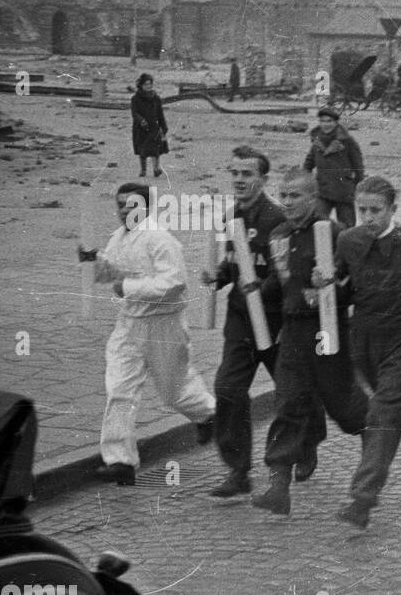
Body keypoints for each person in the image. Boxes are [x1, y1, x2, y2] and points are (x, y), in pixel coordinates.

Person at [318, 177, 401, 529]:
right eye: (361, 210)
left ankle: (362, 498)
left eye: (375, 210)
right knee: (392, 398)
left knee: (382, 411)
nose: (367, 217)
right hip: (363, 337)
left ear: (393, 209)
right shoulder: (348, 241)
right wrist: (325, 284)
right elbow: (342, 285)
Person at [199, 145, 325, 497]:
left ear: (262, 179)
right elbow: (237, 263)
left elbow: (286, 274)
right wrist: (218, 277)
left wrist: (259, 290)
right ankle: (238, 471)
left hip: (277, 320)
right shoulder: (230, 216)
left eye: (247, 174)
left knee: (292, 392)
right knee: (227, 388)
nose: (239, 180)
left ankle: (308, 440)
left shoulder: (277, 219)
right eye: (235, 173)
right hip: (241, 319)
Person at [80, 182, 215, 485]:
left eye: (132, 205)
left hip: (164, 324)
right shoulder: (118, 238)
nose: (125, 210)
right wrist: (94, 261)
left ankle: (208, 414)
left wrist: (127, 287)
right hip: (129, 323)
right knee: (119, 388)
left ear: (147, 207)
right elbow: (111, 274)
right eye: (121, 205)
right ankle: (120, 461)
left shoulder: (160, 239)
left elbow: (175, 283)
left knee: (174, 391)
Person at [251, 169, 369, 515]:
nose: (287, 203)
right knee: (288, 402)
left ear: (314, 197)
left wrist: (330, 287)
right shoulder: (279, 234)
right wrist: (256, 291)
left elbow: (355, 285)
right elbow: (279, 277)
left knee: (344, 408)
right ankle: (278, 486)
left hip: (328, 331)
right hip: (294, 332)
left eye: (295, 196)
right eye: (283, 195)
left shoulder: (335, 234)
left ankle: (375, 436)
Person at [303, 107, 364, 227]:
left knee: (347, 227)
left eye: (329, 121)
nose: (325, 124)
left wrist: (358, 186)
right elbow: (309, 162)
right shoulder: (317, 141)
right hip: (323, 189)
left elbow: (358, 165)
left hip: (343, 190)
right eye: (322, 121)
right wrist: (304, 180)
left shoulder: (347, 141)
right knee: (317, 223)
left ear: (336, 122)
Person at [130, 73, 168, 179]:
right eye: (146, 84)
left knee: (155, 149)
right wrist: (141, 120)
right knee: (142, 149)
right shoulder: (135, 98)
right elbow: (134, 113)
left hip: (153, 126)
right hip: (140, 127)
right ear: (141, 85)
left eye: (150, 84)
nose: (149, 86)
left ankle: (156, 169)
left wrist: (163, 127)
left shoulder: (156, 98)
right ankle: (143, 170)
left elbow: (160, 114)